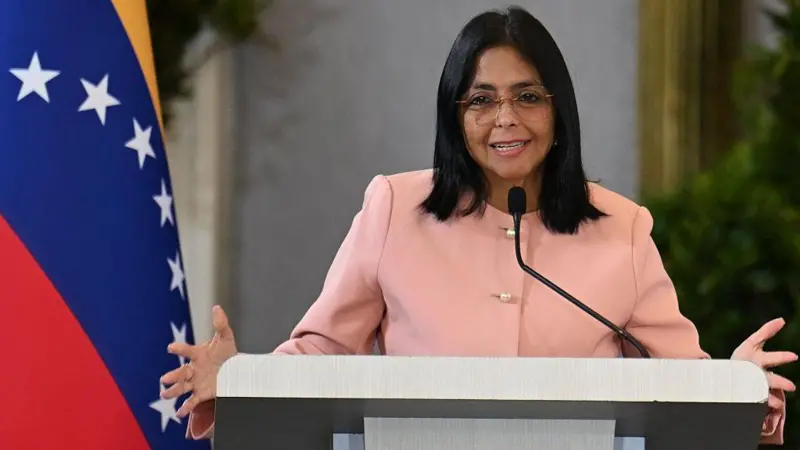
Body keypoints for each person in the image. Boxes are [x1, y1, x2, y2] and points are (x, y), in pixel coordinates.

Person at [160, 5, 797, 444]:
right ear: (454, 115)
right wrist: (239, 378)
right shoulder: (394, 208)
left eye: (528, 97)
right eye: (482, 100)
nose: (505, 120)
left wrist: (739, 386)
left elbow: (683, 382)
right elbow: (322, 354)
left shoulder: (621, 227)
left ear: (559, 112)